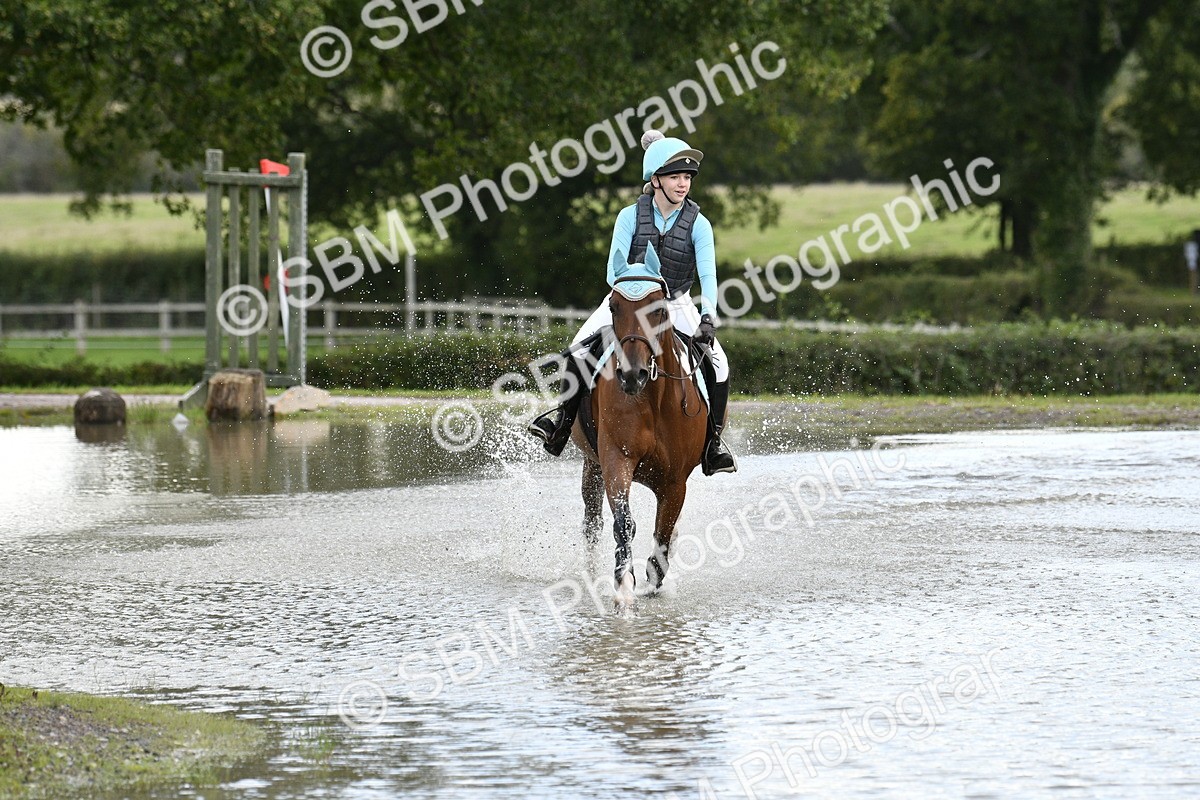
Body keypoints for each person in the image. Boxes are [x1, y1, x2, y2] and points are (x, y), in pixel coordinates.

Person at [527, 129, 737, 475]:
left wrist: (708, 316)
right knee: (578, 350)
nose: (683, 184)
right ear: (655, 180)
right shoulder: (628, 217)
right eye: (674, 177)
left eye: (687, 177)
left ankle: (713, 444)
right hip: (627, 300)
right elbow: (613, 271)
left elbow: (708, 276)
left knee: (720, 363)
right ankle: (560, 425)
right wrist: (634, 298)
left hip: (676, 302)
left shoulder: (699, 224)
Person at [1186, 230, 1199, 296]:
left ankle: (1194, 292)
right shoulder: (1192, 246)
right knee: (1193, 276)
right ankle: (1194, 292)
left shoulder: (1191, 245)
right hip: (1193, 265)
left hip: (1194, 264)